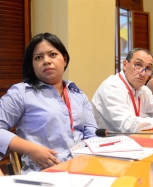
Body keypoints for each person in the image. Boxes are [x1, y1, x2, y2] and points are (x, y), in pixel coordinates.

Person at [0, 33, 99, 174]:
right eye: (38, 57)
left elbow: (92, 135)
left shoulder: (77, 94)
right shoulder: (21, 93)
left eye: (52, 54)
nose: (46, 61)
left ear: (64, 59)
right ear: (32, 65)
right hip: (44, 173)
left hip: (83, 168)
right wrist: (32, 149)